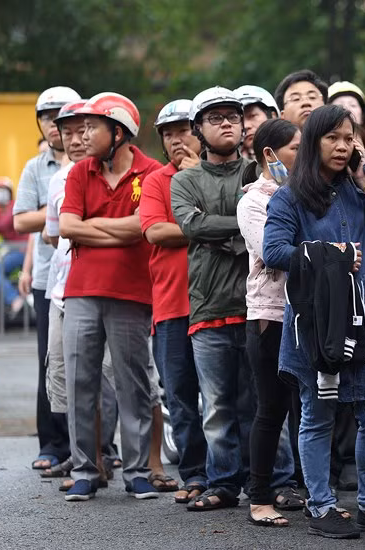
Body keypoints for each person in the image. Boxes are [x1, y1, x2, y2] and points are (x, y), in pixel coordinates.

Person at [263, 104, 365, 539]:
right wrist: (338, 257)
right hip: (317, 325)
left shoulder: (356, 186)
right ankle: (321, 505)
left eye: (349, 139)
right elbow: (273, 252)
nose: (343, 147)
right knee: (318, 415)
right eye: (333, 138)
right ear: (314, 142)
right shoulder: (289, 195)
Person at [59, 92, 162, 501]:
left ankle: (137, 471)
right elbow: (68, 225)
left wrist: (93, 224)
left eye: (91, 127)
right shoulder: (79, 172)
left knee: (132, 383)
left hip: (133, 292)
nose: (82, 135)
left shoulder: (150, 172)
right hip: (81, 291)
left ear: (118, 132)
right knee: (80, 381)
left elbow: (142, 227)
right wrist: (116, 229)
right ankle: (86, 469)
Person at [170, 86, 253, 511]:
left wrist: (223, 229)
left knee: (259, 404)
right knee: (217, 408)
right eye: (215, 117)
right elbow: (192, 226)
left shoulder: (259, 172)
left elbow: (271, 217)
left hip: (258, 307)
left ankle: (272, 483)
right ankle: (222, 484)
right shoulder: (184, 180)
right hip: (207, 307)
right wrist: (240, 227)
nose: (226, 123)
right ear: (198, 129)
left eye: (233, 117)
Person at [43, 99, 119, 491]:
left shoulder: (112, 173)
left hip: (108, 288)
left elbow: (139, 228)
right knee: (69, 378)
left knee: (107, 377)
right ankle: (82, 456)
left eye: (81, 131)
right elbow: (54, 232)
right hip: (63, 291)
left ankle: (103, 453)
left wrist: (87, 228)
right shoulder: (60, 179)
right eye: (67, 132)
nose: (74, 139)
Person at [237, 118, 305, 527]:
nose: (303, 155)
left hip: (308, 313)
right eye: (296, 148)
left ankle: (316, 492)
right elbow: (273, 250)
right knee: (271, 409)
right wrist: (328, 252)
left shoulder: (308, 193)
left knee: (311, 410)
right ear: (269, 154)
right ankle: (260, 497)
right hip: (271, 314)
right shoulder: (253, 201)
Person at [139, 99, 208, 503]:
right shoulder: (155, 180)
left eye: (183, 130)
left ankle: (226, 474)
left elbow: (239, 220)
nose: (176, 139)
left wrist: (199, 178)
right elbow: (154, 232)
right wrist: (208, 227)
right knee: (179, 396)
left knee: (223, 396)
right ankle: (194, 474)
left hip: (217, 302)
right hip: (169, 305)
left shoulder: (220, 173)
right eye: (167, 133)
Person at [13, 85, 81, 472]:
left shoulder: (91, 162)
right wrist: (60, 208)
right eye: (46, 117)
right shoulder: (36, 169)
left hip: (87, 274)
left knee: (93, 364)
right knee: (50, 361)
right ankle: (53, 444)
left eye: (62, 116)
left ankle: (98, 446)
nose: (54, 124)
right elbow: (22, 221)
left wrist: (57, 212)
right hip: (47, 277)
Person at [0, 177, 26, 316]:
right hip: (12, 251)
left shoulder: (14, 206)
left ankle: (14, 299)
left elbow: (2, 224)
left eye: (2, 190)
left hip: (23, 250)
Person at [234, 85, 280, 160]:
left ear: (273, 116)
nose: (245, 126)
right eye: (240, 119)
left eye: (252, 116)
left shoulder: (297, 155)